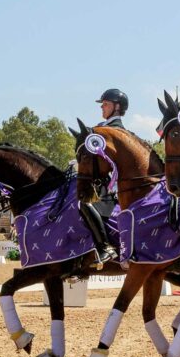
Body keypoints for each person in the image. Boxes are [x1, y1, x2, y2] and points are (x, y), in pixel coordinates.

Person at [79, 89, 127, 267]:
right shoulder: (102, 128)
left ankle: (104, 247)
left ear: (117, 107)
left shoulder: (116, 131)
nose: (102, 108)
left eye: (105, 104)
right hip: (100, 180)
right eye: (102, 105)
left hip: (110, 183)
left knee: (84, 202)